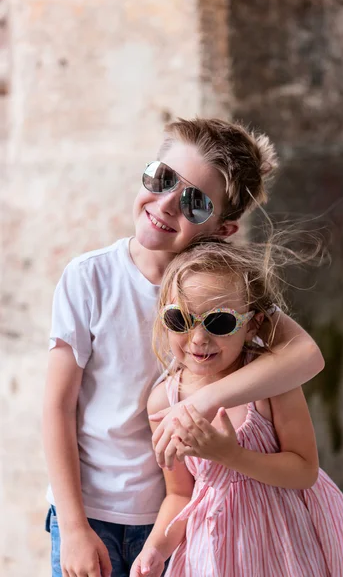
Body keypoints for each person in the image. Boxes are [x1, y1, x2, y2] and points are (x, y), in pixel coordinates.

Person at [43, 118, 325, 577]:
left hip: (178, 515)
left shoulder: (221, 294)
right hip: (90, 509)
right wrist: (73, 526)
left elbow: (307, 355)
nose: (167, 203)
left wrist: (209, 399)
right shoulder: (89, 277)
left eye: (195, 202)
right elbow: (57, 407)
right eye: (162, 178)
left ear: (224, 228)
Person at [131, 239, 343, 577]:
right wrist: (155, 549)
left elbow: (305, 471)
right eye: (179, 319)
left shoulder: (271, 382)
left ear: (253, 324)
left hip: (284, 543)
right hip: (214, 549)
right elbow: (179, 494)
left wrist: (230, 456)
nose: (198, 338)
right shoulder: (164, 402)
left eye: (219, 322)